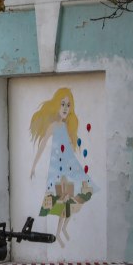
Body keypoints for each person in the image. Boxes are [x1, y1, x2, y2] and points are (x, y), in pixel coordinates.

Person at [29, 87, 95, 248]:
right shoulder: (53, 126)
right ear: (56, 106)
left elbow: (71, 149)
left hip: (69, 169)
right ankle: (59, 232)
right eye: (62, 104)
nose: (65, 108)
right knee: (63, 202)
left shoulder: (69, 127)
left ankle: (64, 228)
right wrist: (34, 165)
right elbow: (43, 145)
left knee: (77, 197)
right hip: (59, 171)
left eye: (68, 105)